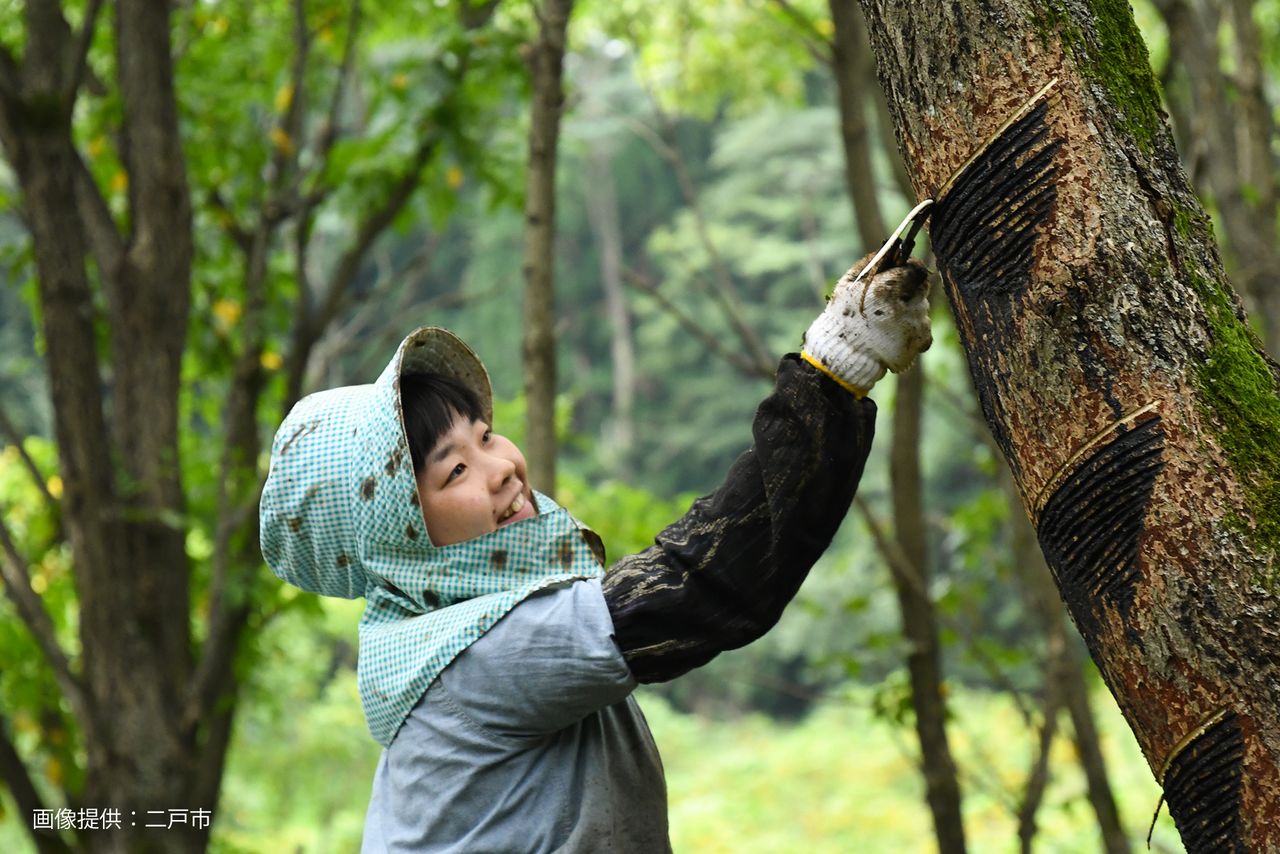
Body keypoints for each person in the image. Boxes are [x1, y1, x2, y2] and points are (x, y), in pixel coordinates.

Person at [259, 252, 932, 853]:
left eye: (486, 438)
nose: (499, 468)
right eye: (453, 472)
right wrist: (831, 371)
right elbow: (704, 588)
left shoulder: (450, 633)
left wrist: (837, 388)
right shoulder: (475, 656)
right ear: (400, 539)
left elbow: (746, 565)